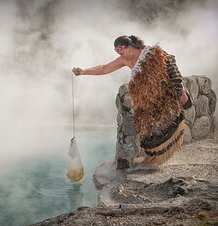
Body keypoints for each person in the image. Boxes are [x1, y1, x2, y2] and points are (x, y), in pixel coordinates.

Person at [72, 35, 191, 167]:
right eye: (117, 51)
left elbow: (172, 68)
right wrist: (83, 72)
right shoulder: (125, 59)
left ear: (130, 46)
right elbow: (105, 68)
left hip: (163, 97)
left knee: (162, 126)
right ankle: (151, 156)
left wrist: (181, 92)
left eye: (121, 50)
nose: (120, 53)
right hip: (146, 100)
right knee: (147, 129)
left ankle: (159, 157)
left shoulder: (153, 53)